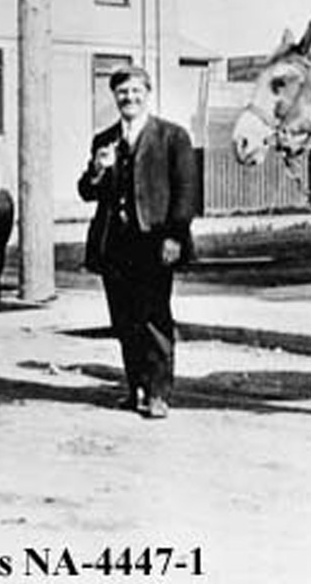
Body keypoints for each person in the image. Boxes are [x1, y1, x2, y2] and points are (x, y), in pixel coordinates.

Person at [77, 65, 196, 420]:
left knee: (154, 317)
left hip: (155, 242)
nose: (129, 98)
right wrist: (98, 169)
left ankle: (158, 393)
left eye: (135, 91)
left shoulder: (172, 136)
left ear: (148, 93)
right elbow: (86, 192)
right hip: (115, 244)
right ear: (114, 97)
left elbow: (187, 192)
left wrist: (175, 235)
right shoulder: (104, 139)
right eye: (122, 92)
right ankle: (136, 389)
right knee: (124, 319)